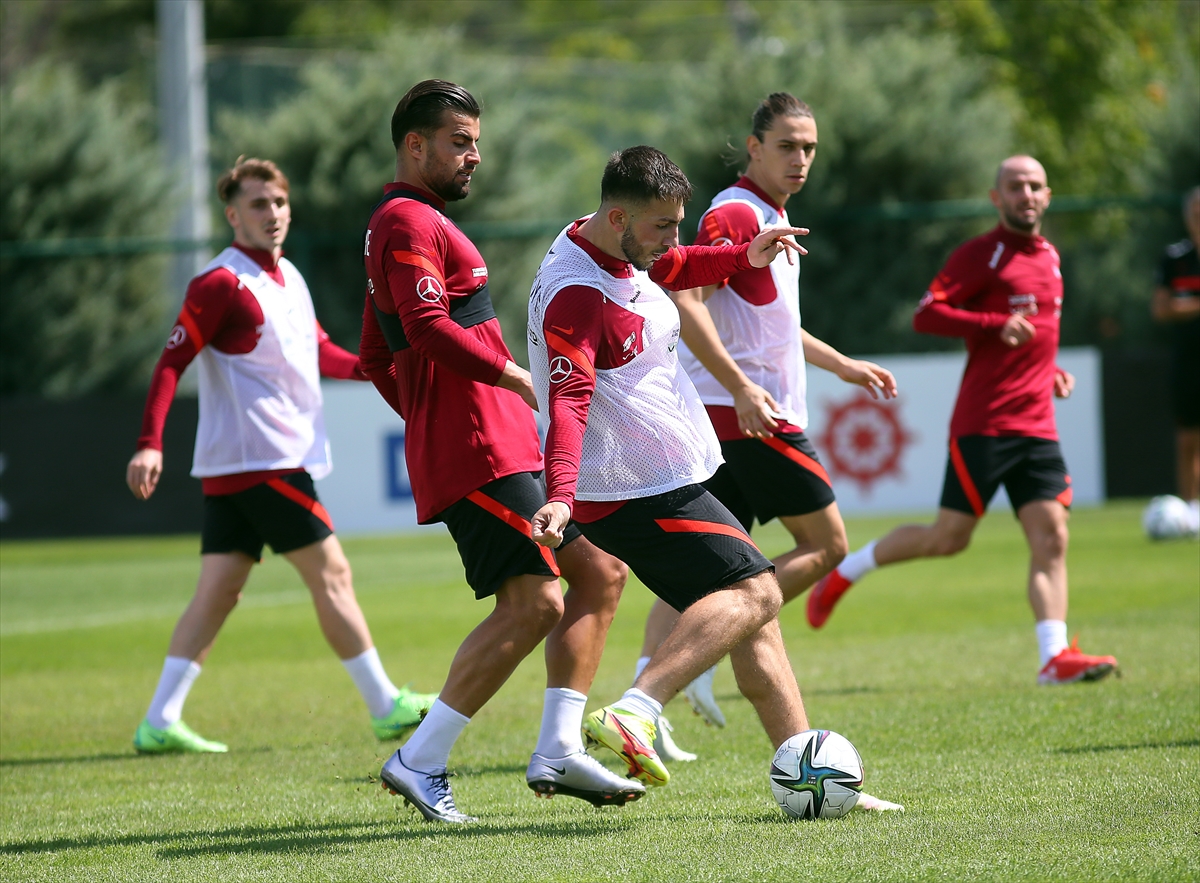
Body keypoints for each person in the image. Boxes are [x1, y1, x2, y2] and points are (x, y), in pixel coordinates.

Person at [527, 146, 901, 814]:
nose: (676, 237)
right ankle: (638, 706)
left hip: (657, 474)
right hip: (634, 486)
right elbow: (566, 401)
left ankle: (810, 774)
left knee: (755, 618)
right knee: (757, 589)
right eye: (663, 225)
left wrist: (741, 256)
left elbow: (674, 265)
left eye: (678, 221)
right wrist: (558, 495)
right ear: (617, 217)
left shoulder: (614, 245)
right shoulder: (578, 295)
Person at [360, 80, 633, 824]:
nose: (474, 155)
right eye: (459, 141)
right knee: (536, 599)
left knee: (599, 573)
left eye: (476, 140)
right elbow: (420, 328)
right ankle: (419, 759)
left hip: (493, 439)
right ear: (415, 145)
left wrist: (427, 416)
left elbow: (374, 353)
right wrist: (504, 380)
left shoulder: (404, 222)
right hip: (481, 447)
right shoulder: (406, 220)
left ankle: (557, 748)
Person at [126, 157, 435, 755]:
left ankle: (160, 719)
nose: (273, 213)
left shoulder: (288, 276)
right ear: (232, 214)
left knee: (219, 591)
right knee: (333, 574)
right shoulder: (220, 283)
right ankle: (384, 705)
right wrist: (148, 443)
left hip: (241, 466)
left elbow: (318, 351)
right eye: (258, 204)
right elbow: (171, 362)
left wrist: (380, 368)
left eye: (279, 202)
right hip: (263, 460)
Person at [630, 94, 898, 758]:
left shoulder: (770, 216)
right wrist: (743, 387)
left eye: (809, 146)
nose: (801, 158)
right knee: (828, 544)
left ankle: (653, 685)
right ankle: (709, 642)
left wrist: (840, 364)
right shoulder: (734, 213)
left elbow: (774, 324)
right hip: (750, 415)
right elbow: (686, 296)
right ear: (754, 147)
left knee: (716, 563)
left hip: (739, 410)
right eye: (787, 145)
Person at [807, 155, 1119, 686]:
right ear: (997, 197)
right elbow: (927, 312)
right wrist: (996, 323)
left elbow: (1036, 338)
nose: (1026, 194)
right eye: (1014, 186)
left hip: (1038, 425)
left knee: (1053, 538)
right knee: (948, 538)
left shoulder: (1050, 257)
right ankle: (848, 569)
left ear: (1048, 195)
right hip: (986, 423)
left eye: (1035, 186)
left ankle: (1054, 656)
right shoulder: (982, 255)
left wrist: (1051, 371)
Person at [1152, 186, 1200, 533]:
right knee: (1187, 439)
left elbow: (1176, 305)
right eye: (1195, 212)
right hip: (1188, 361)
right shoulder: (1174, 259)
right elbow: (1161, 308)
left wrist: (1185, 306)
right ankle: (1192, 512)